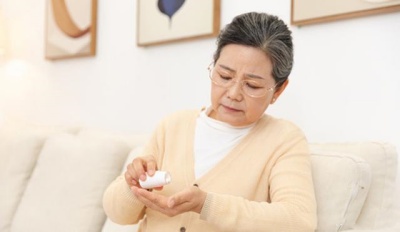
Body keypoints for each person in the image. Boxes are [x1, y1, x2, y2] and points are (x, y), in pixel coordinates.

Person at [103, 12, 317, 232]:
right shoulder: (173, 126)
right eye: (224, 76)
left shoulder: (284, 139)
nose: (233, 93)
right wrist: (133, 185)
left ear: (278, 90)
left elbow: (299, 220)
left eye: (252, 85)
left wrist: (207, 204)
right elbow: (117, 213)